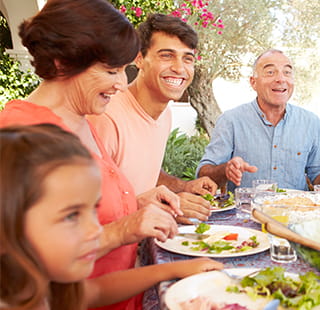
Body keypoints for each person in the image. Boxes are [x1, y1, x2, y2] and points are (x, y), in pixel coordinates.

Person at [0, 1, 181, 309]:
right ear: (61, 62)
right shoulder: (23, 134)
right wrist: (125, 229)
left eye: (124, 70)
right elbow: (22, 261)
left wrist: (137, 203)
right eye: (111, 70)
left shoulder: (81, 116)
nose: (122, 85)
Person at [0, 124, 224, 310]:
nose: (95, 228)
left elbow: (94, 292)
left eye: (93, 210)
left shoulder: (45, 287)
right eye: (71, 216)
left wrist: (171, 270)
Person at [88, 14, 216, 224]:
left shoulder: (165, 114)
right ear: (139, 59)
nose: (179, 68)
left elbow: (145, 173)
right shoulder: (106, 117)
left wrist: (184, 187)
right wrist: (169, 206)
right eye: (167, 55)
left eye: (188, 58)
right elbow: (90, 210)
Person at [196, 49, 320, 192]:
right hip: (247, 212)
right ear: (253, 82)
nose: (280, 79)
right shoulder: (231, 121)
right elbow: (204, 173)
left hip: (296, 211)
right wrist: (225, 169)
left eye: (287, 72)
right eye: (270, 72)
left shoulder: (310, 122)